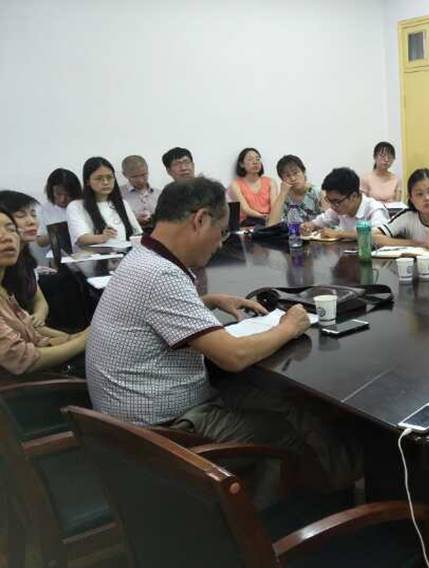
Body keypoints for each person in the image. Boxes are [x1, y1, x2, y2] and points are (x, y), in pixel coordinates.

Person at [86, 176, 361, 501]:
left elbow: (150, 313)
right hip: (166, 431)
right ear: (200, 219)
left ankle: (334, 486)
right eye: (220, 233)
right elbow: (234, 357)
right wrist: (288, 327)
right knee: (289, 428)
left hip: (130, 424)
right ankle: (280, 516)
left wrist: (207, 301)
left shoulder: (142, 257)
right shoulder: (162, 275)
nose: (219, 245)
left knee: (288, 404)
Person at [0, 208, 88, 377]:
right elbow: (23, 360)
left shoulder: (5, 289)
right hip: (27, 388)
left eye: (11, 229)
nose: (7, 237)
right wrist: (83, 340)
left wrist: (80, 337)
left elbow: (36, 341)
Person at [67, 157, 142, 248]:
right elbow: (81, 238)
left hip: (124, 254)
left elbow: (137, 233)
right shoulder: (75, 206)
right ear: (87, 182)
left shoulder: (122, 203)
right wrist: (103, 237)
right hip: (92, 256)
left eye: (109, 177)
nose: (105, 182)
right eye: (99, 178)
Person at [0, 191, 50, 323]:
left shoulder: (24, 257)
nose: (32, 221)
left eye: (33, 215)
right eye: (20, 216)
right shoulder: (5, 264)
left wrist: (39, 314)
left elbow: (39, 300)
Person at [301, 168, 389, 241]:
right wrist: (309, 226)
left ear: (353, 196)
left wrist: (339, 234)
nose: (333, 206)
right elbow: (321, 221)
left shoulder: (375, 209)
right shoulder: (338, 207)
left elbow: (378, 235)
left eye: (337, 201)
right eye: (329, 200)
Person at [267, 155, 324, 225]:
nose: (293, 178)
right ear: (282, 179)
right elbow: (271, 225)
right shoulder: (284, 196)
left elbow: (330, 224)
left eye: (296, 173)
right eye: (287, 176)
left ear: (303, 172)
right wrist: (282, 193)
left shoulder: (318, 193)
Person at [230, 147, 278, 225]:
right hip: (248, 222)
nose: (255, 162)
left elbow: (275, 206)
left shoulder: (271, 182)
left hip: (269, 220)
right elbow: (245, 209)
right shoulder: (235, 185)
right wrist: (262, 216)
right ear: (241, 164)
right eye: (250, 159)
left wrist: (271, 217)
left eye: (258, 159)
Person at [36, 168, 81, 247]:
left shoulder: (83, 205)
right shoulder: (45, 209)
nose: (62, 199)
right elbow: (40, 242)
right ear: (51, 191)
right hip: (59, 253)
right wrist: (56, 233)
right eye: (58, 194)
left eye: (67, 195)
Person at [120, 155, 160, 227]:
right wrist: (135, 221)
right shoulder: (118, 195)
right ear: (124, 174)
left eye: (143, 175)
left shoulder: (160, 194)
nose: (140, 180)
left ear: (148, 170)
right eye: (134, 177)